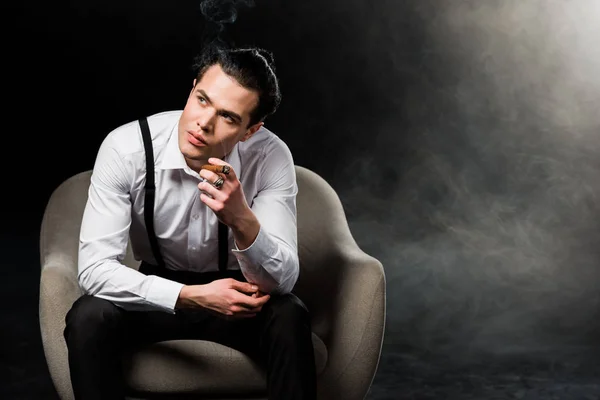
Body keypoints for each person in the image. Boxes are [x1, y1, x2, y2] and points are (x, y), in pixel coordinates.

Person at [63, 45, 317, 400]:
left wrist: (240, 217)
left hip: (238, 295)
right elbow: (93, 271)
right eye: (202, 100)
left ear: (250, 130)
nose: (204, 123)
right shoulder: (127, 148)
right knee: (88, 316)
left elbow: (282, 281)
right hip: (155, 290)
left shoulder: (270, 156)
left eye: (228, 117)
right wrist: (191, 296)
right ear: (192, 87)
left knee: (289, 315)